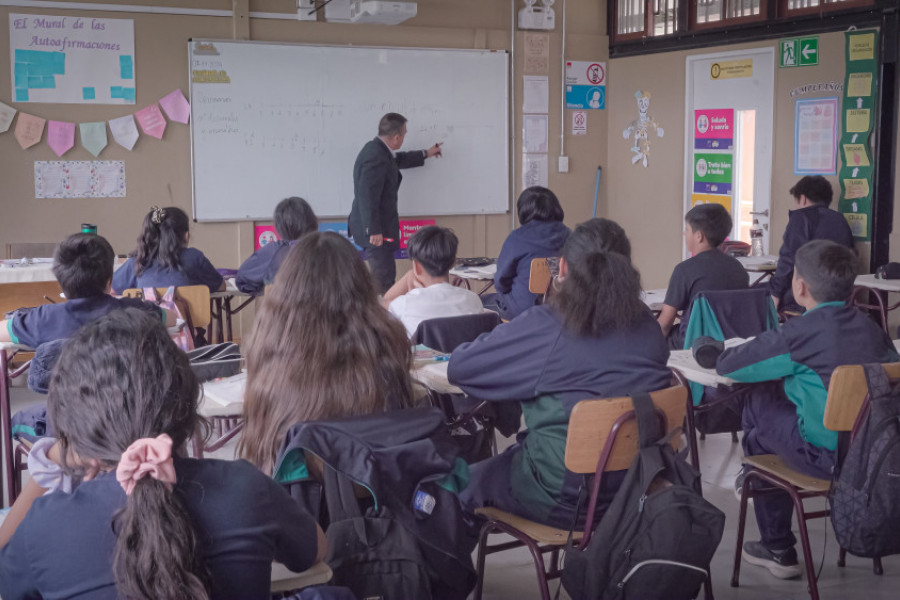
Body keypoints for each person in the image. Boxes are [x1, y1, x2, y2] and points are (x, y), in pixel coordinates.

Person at [0, 309, 326, 599]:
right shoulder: (246, 488)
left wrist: (53, 461)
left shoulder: (45, 528)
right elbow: (313, 552)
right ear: (187, 402)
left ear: (76, 429)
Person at [448, 218, 671, 529]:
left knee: (454, 487)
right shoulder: (648, 325)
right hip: (639, 487)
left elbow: (461, 368)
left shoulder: (549, 324)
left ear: (562, 269)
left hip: (564, 495)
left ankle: (452, 577)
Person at [716, 240, 898, 580]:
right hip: (875, 458)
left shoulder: (798, 333)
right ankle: (755, 482)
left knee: (757, 412)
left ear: (799, 287)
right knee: (782, 400)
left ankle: (778, 547)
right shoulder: (873, 329)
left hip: (824, 457)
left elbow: (730, 367)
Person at [239, 232, 418, 474]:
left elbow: (262, 441)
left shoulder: (269, 342)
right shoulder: (387, 338)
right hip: (373, 486)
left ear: (287, 288)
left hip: (294, 488)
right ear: (361, 284)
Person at [0, 233, 165, 347]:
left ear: (60, 282)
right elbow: (171, 317)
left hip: (66, 394)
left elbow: (3, 330)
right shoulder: (133, 310)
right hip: (123, 393)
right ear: (109, 282)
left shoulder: (42, 318)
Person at [348, 113, 444, 293]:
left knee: (384, 277)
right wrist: (373, 229)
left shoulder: (379, 150)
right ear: (396, 137)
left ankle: (382, 313)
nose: (404, 137)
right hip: (376, 232)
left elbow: (398, 160)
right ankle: (381, 317)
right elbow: (367, 195)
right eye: (405, 134)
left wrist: (426, 153)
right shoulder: (375, 156)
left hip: (378, 228)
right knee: (383, 280)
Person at [657, 203, 749, 348]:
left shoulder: (684, 270)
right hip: (731, 341)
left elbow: (665, 324)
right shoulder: (738, 268)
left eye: (687, 229)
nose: (684, 233)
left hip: (693, 343)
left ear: (699, 236)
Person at [480, 186, 570, 321]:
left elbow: (501, 283)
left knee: (478, 302)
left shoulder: (517, 238)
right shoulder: (570, 235)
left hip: (522, 309)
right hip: (562, 307)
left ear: (523, 210)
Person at [768, 176, 853, 311]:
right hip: (840, 295)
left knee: (756, 294)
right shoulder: (840, 219)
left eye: (796, 202)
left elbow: (788, 259)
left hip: (808, 294)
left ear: (803, 199)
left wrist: (775, 296)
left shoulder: (801, 218)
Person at [382, 225, 483, 337]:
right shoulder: (473, 299)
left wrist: (409, 275)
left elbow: (384, 303)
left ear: (417, 266)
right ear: (453, 262)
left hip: (422, 355)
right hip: (464, 354)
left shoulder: (405, 304)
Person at [112, 206, 226, 294]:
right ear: (186, 235)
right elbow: (221, 287)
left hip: (145, 323)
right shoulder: (194, 257)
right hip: (186, 323)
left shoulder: (137, 262)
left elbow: (111, 288)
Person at [236, 196, 318, 295]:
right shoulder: (332, 246)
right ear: (313, 220)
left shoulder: (274, 251)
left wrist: (267, 288)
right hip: (328, 309)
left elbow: (243, 279)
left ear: (279, 226)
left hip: (284, 309)